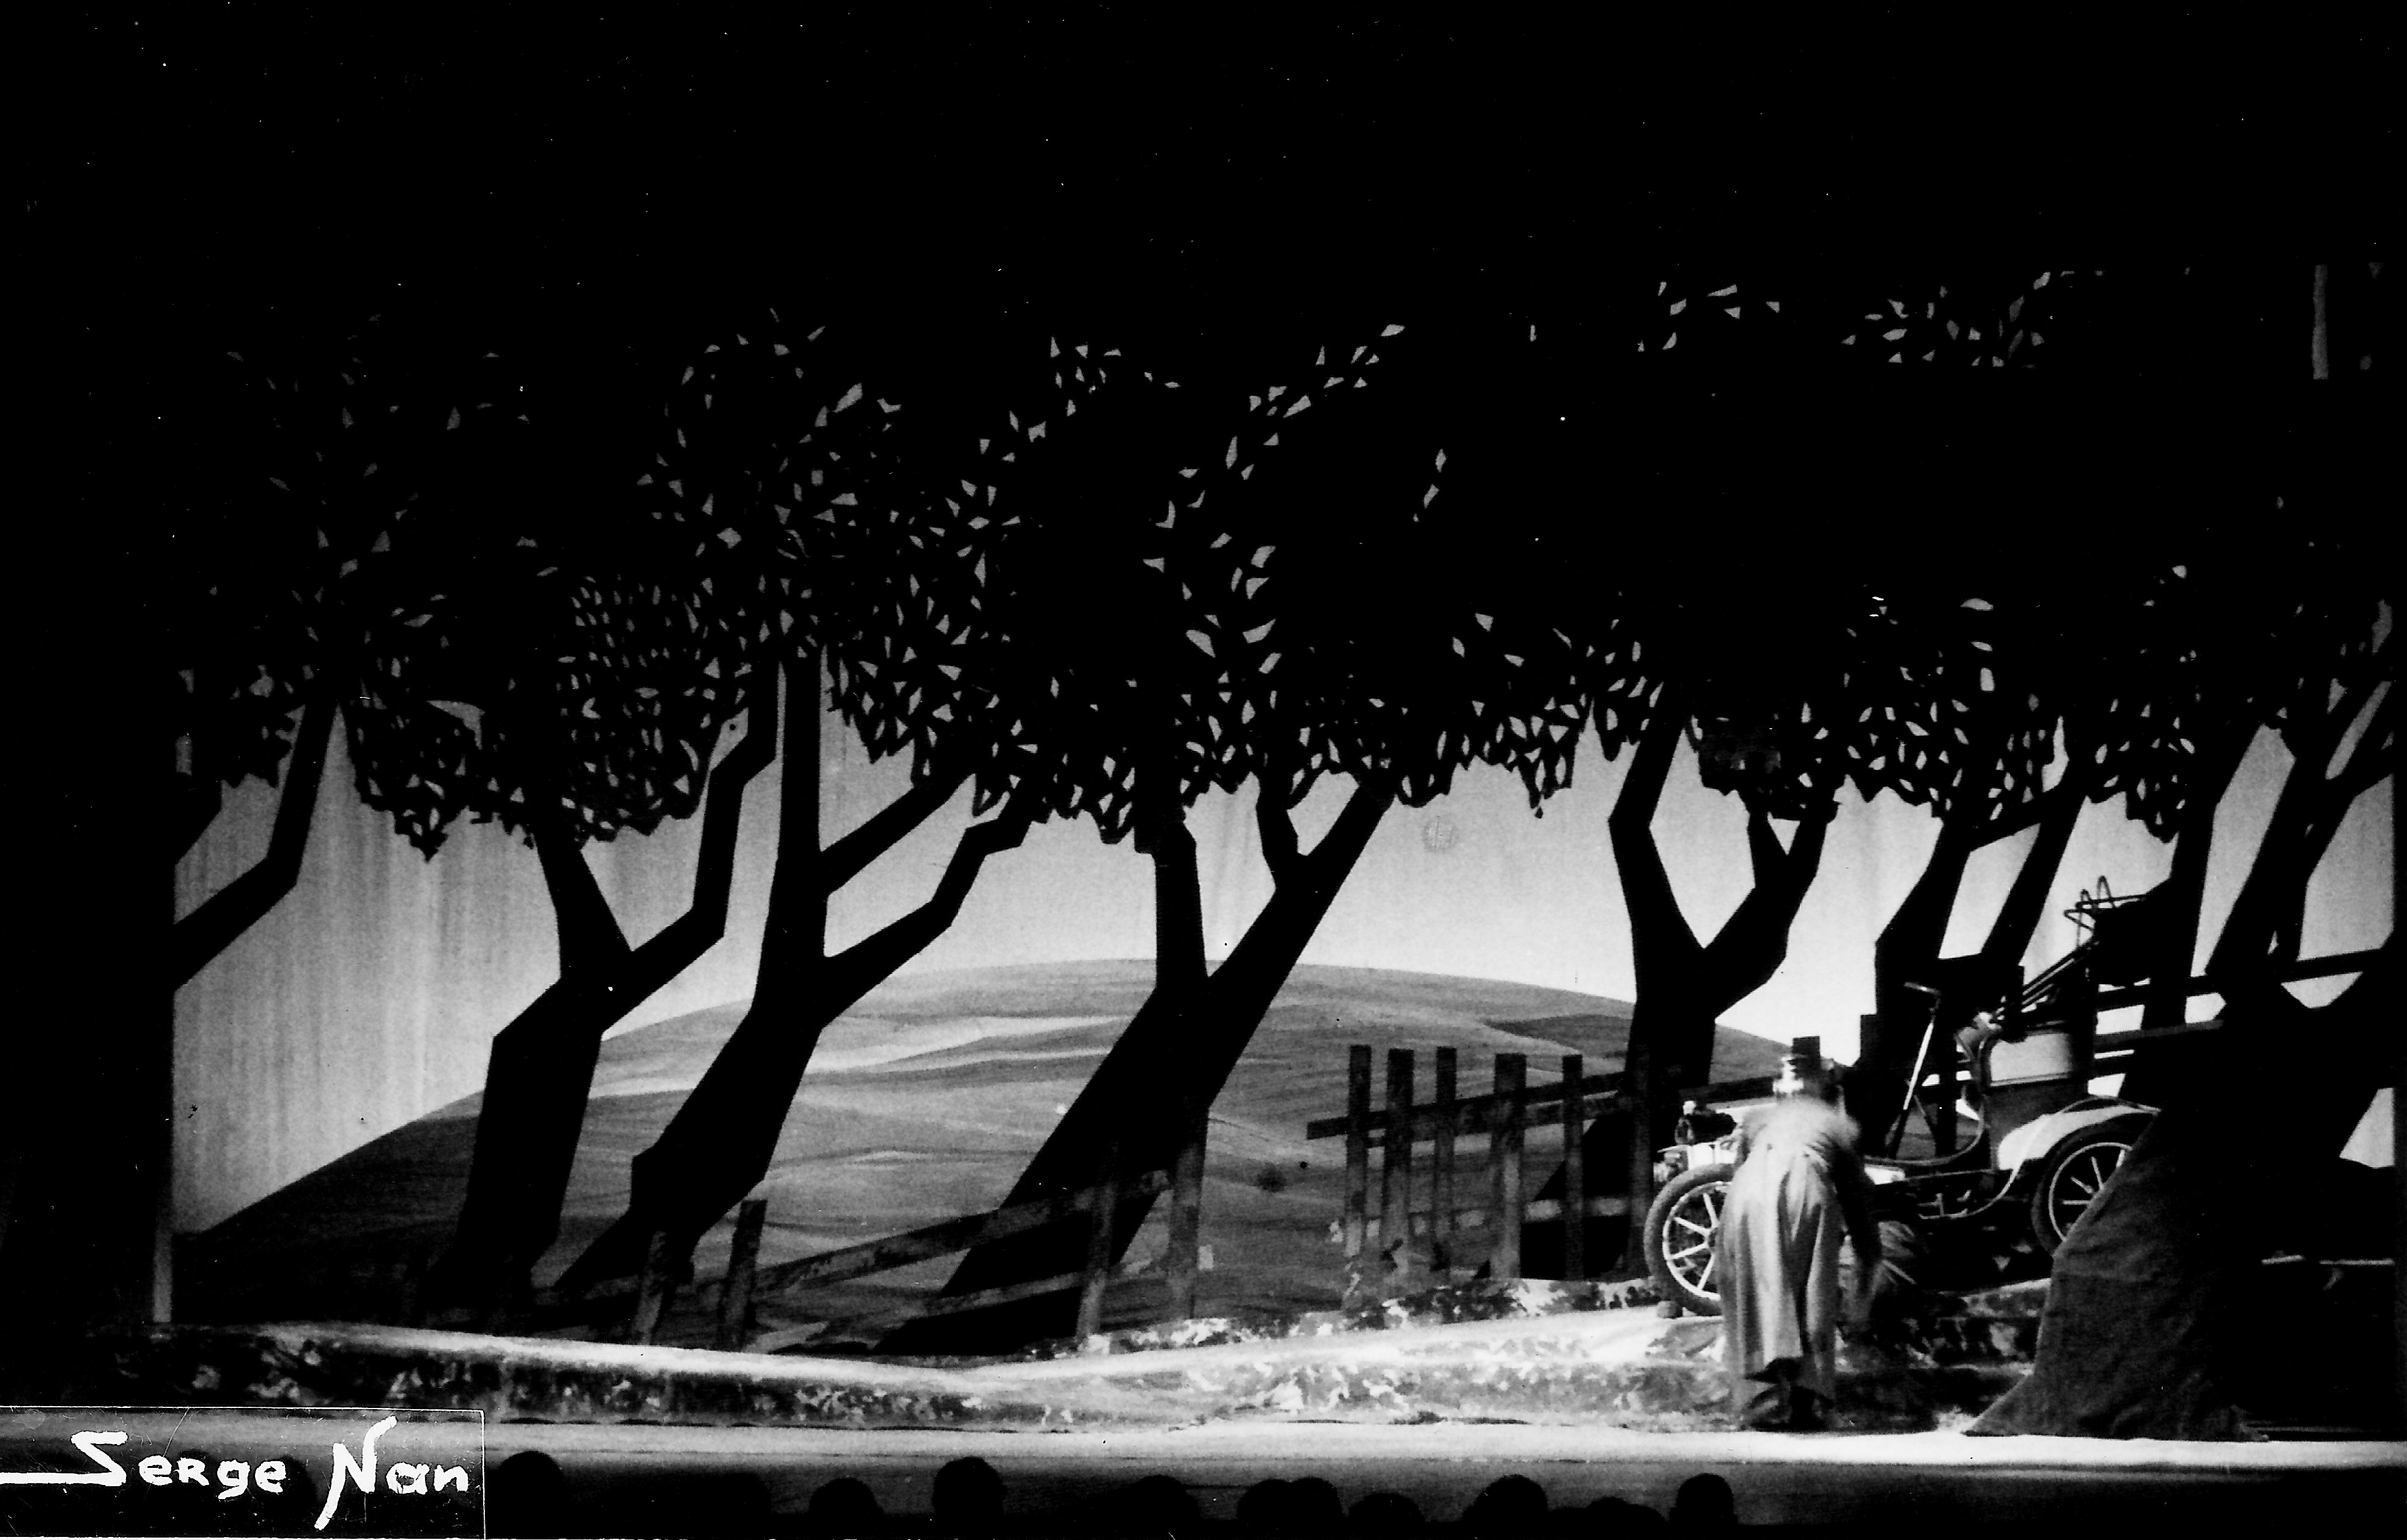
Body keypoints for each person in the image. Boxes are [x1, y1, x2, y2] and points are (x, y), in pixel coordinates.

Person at [1716, 1044, 1881, 1431]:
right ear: (1830, 1092)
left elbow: (1738, 1171)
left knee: (1749, 1292)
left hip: (1745, 1195)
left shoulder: (1758, 1119)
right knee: (1811, 1291)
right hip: (1805, 1187)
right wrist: (1860, 1301)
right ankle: (1808, 1403)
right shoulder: (1839, 1125)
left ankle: (1761, 1403)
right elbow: (1859, 1210)